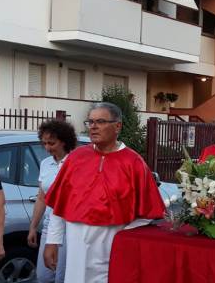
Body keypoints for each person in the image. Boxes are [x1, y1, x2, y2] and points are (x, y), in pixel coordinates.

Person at [43, 102, 165, 283]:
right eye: (90, 122)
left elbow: (148, 212)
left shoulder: (134, 163)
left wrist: (122, 237)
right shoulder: (75, 158)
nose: (93, 127)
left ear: (118, 126)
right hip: (76, 248)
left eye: (100, 121)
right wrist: (52, 241)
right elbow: (59, 204)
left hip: (111, 248)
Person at [28, 120, 77, 283]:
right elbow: (42, 197)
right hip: (50, 225)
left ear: (64, 141)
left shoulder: (76, 162)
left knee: (62, 276)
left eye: (51, 143)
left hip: (71, 227)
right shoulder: (45, 164)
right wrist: (33, 227)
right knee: (43, 276)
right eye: (44, 143)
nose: (47, 148)